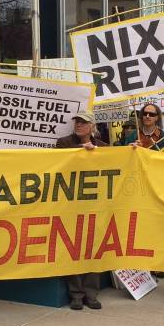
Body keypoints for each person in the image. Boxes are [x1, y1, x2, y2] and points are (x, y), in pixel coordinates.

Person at [57, 112, 108, 309]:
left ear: (92, 126)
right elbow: (61, 163)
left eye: (83, 122)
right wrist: (80, 151)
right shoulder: (63, 143)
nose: (78, 125)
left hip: (95, 206)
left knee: (93, 249)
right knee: (73, 249)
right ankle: (76, 294)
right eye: (77, 122)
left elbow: (116, 162)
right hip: (71, 205)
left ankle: (91, 293)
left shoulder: (102, 147)